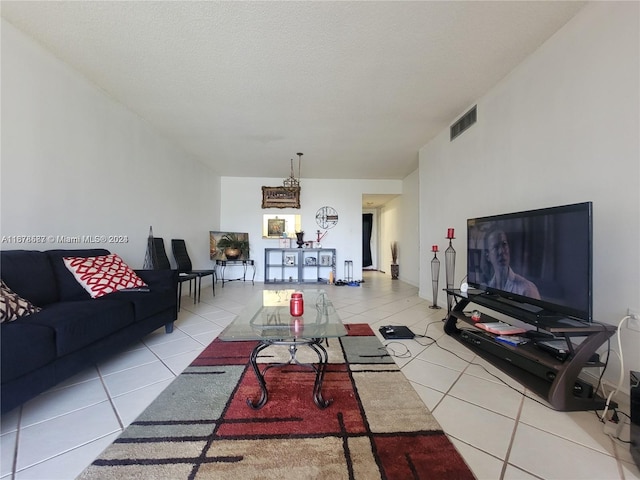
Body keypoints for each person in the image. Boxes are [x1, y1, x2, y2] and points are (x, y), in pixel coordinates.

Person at [485, 229, 541, 299]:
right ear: (488, 256)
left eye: (504, 244)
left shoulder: (527, 289)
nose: (501, 252)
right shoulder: (487, 288)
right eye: (496, 247)